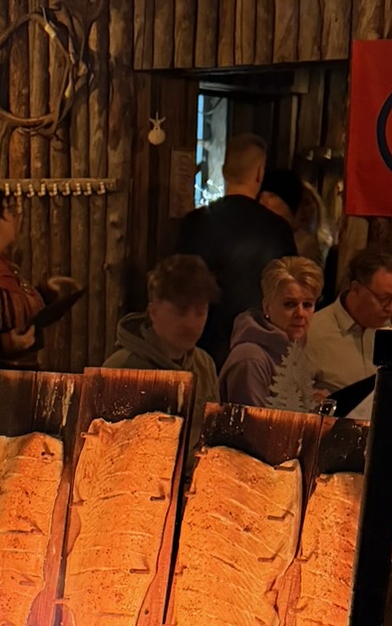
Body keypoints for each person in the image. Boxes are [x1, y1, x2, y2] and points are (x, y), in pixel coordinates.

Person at [0, 185, 78, 428]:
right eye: (10, 211)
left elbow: (8, 315)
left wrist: (45, 294)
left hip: (13, 390)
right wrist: (2, 343)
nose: (16, 218)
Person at [174, 133, 297, 367]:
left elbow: (179, 289)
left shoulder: (194, 223)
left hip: (198, 349)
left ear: (223, 170)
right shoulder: (278, 229)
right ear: (260, 172)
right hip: (260, 351)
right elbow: (291, 293)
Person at [104, 254, 219, 452]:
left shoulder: (204, 365)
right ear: (153, 311)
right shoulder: (121, 369)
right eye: (181, 311)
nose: (191, 323)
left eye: (200, 312)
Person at [219, 255, 321, 410]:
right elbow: (250, 429)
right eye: (290, 304)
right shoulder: (251, 359)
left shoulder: (294, 351)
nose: (300, 313)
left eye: (307, 304)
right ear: (267, 307)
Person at [306, 247, 392, 399]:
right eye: (384, 299)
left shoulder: (388, 329)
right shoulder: (313, 332)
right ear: (356, 288)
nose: (391, 308)